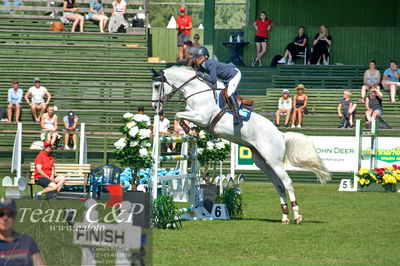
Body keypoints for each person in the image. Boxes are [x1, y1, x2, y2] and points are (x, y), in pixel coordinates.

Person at [190, 47, 243, 125]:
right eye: (196, 57)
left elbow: (214, 80)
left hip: (233, 74)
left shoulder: (210, 63)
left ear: (205, 56)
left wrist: (203, 76)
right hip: (226, 78)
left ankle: (237, 116)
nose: (197, 59)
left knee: (229, 93)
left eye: (199, 57)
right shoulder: (202, 66)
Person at [0, 197, 45, 265]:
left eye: (9, 214)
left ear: (15, 217)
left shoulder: (28, 241)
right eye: (1, 214)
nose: (5, 218)